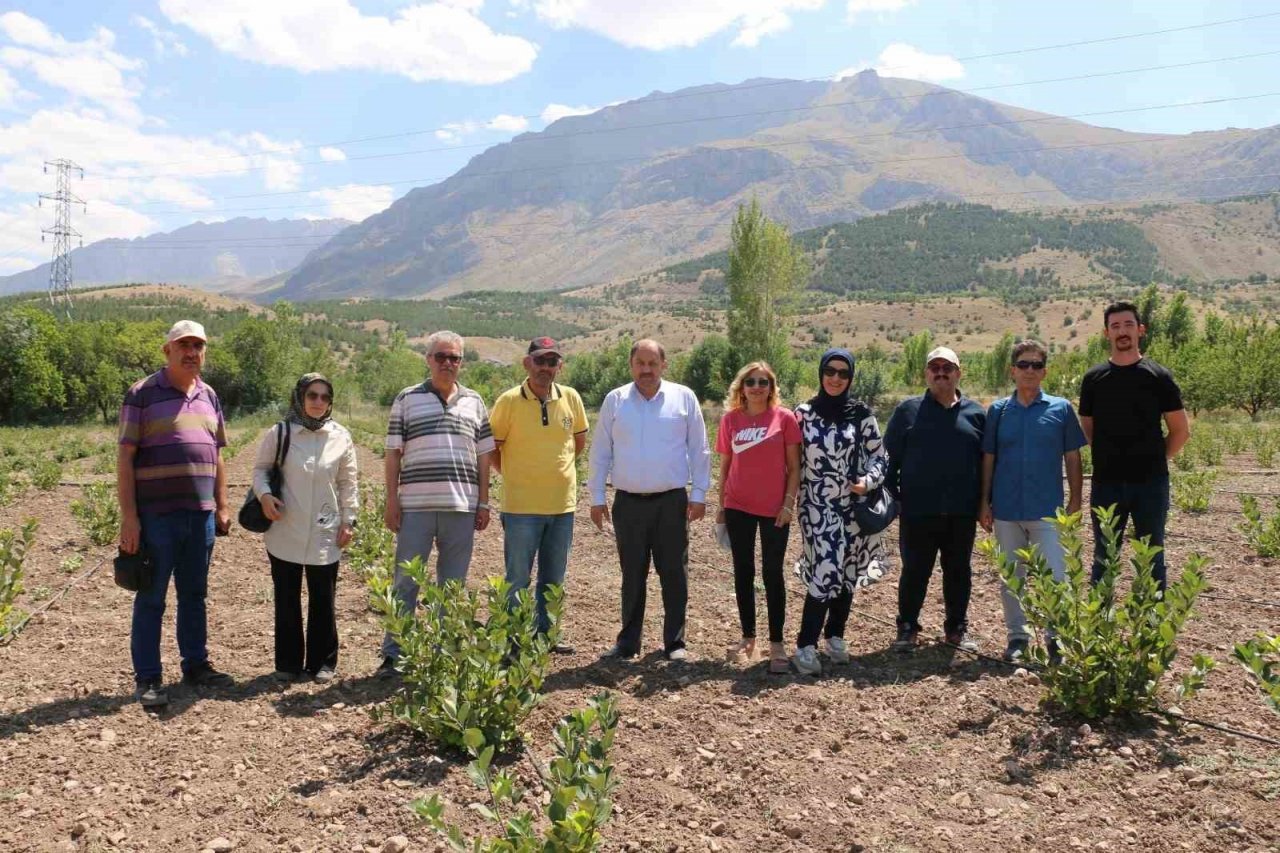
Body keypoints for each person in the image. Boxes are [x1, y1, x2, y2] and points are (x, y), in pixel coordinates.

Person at [118, 320, 233, 708]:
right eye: (183, 345)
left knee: (194, 595)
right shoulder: (143, 394)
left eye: (198, 346)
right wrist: (129, 517)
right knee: (151, 597)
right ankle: (148, 678)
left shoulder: (209, 395)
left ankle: (196, 666)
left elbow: (217, 453)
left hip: (199, 515)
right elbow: (125, 456)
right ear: (167, 350)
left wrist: (222, 503)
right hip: (155, 516)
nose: (192, 353)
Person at [588, 339, 711, 662]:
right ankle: (628, 642)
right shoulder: (615, 401)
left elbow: (700, 450)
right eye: (640, 363)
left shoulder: (684, 398)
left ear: (663, 365)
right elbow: (600, 452)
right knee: (632, 574)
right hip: (627, 503)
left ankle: (675, 643)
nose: (646, 370)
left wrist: (699, 494)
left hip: (672, 502)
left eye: (652, 363)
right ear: (631, 366)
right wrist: (596, 497)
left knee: (674, 573)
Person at [380, 330, 495, 675]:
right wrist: (391, 500)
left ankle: (447, 651)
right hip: (415, 506)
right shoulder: (407, 398)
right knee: (405, 581)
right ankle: (395, 653)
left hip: (461, 507)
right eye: (441, 357)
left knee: (453, 583)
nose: (447, 363)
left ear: (461, 362)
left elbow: (485, 457)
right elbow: (391, 452)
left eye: (454, 358)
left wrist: (485, 503)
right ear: (428, 359)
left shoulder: (475, 401)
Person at [978, 341, 1086, 662]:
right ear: (1012, 370)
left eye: (1036, 365)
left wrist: (1076, 501)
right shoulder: (998, 411)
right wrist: (984, 502)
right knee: (1012, 578)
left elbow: (1073, 456)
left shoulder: (1061, 408)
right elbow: (988, 457)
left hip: (1047, 510)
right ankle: (1017, 638)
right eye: (1023, 364)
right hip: (1007, 510)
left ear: (1045, 371)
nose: (1029, 371)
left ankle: (1057, 640)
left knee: (1056, 576)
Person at [791, 349, 891, 676]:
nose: (835, 378)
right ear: (820, 373)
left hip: (852, 507)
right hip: (816, 508)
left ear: (850, 378)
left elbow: (881, 457)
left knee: (847, 571)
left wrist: (868, 481)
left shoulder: (861, 415)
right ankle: (805, 646)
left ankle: (835, 636)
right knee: (826, 568)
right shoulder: (802, 415)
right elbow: (788, 460)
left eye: (843, 373)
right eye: (830, 371)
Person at [253, 373, 358, 682]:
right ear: (300, 397)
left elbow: (348, 483)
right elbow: (260, 471)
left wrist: (349, 520)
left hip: (326, 528)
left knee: (323, 597)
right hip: (285, 526)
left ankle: (323, 663)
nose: (318, 402)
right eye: (312, 395)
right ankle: (287, 664)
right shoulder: (281, 433)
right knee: (286, 596)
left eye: (325, 397)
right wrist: (265, 495)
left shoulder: (340, 436)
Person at [1079, 301, 1189, 590]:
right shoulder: (1093, 379)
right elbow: (1088, 429)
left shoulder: (1159, 377)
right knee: (1104, 556)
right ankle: (1100, 627)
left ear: (1141, 330)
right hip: (1106, 484)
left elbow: (1180, 430)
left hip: (1151, 485)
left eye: (1128, 324)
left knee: (1152, 557)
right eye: (1115, 326)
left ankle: (1152, 631)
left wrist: (1153, 460)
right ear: (1107, 333)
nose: (1122, 331)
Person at [489, 337, 589, 652]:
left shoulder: (571, 398)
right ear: (527, 363)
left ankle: (547, 636)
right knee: (517, 577)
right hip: (521, 508)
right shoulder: (508, 401)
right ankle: (514, 639)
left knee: (554, 578)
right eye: (539, 361)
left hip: (562, 507)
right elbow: (492, 448)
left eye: (551, 362)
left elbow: (579, 442)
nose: (545, 367)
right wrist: (514, 474)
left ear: (559, 366)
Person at [884, 346, 986, 653]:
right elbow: (888, 461)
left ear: (959, 372)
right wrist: (894, 500)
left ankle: (956, 629)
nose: (941, 372)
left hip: (961, 511)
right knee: (914, 570)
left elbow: (987, 464)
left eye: (947, 367)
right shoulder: (907, 412)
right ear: (926, 374)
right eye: (934, 368)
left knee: (959, 571)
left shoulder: (977, 413)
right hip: (917, 511)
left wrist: (985, 502)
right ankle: (907, 627)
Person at [715, 361, 800, 674]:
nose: (757, 387)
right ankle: (748, 638)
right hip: (737, 505)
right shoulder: (730, 421)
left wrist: (789, 504)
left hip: (776, 509)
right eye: (751, 382)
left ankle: (776, 643)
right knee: (743, 570)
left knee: (772, 572)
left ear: (771, 387)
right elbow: (725, 466)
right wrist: (721, 506)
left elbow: (795, 468)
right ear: (742, 387)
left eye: (763, 382)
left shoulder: (785, 419)